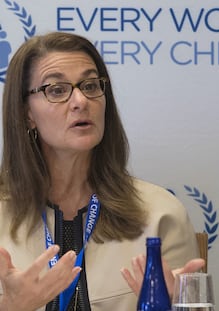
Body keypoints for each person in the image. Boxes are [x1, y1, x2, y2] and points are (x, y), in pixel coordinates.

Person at [0, 31, 204, 311]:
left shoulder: (160, 214)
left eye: (90, 85)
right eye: (57, 90)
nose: (81, 101)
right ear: (27, 114)